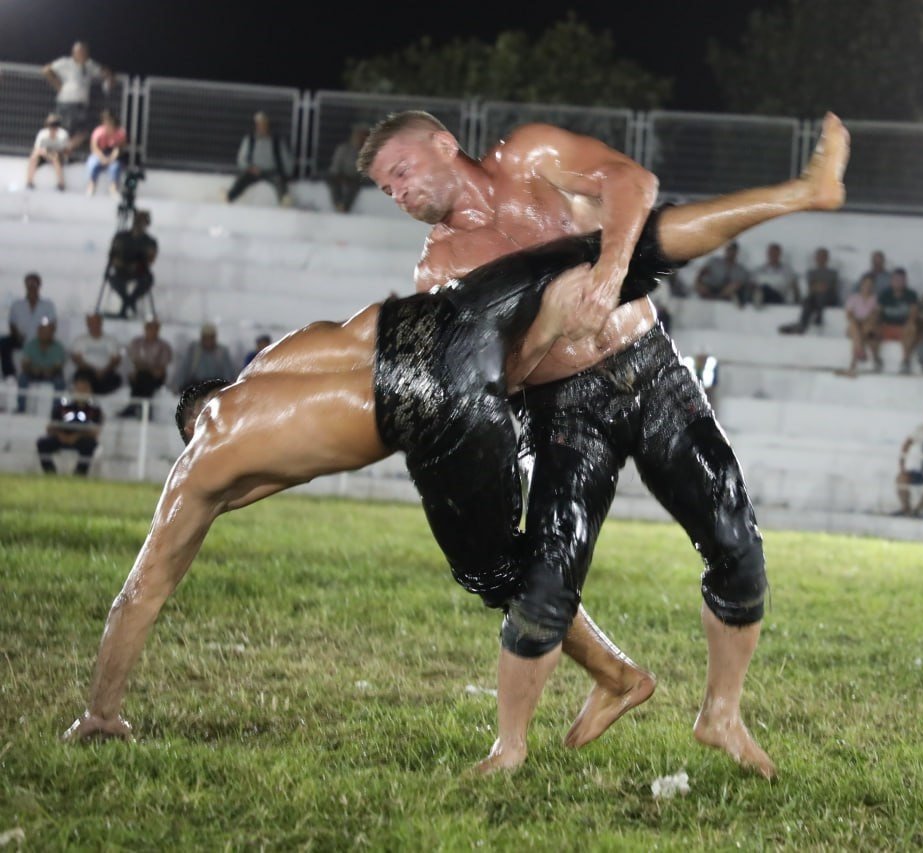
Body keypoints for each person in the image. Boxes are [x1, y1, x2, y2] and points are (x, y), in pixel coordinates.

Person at [61, 163, 848, 779]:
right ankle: (792, 195)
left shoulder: (206, 463)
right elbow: (325, 380)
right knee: (617, 253)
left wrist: (102, 708)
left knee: (497, 566)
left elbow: (142, 590)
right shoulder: (279, 357)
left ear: (195, 418)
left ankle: (609, 675)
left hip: (433, 407)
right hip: (439, 325)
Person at [359, 109, 850, 776]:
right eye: (388, 190)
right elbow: (491, 379)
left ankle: (721, 713)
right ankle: (509, 745)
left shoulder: (530, 157)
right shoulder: (439, 266)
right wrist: (546, 330)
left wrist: (613, 268)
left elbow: (632, 183)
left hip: (650, 365)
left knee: (736, 541)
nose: (401, 193)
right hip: (562, 405)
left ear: (445, 144)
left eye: (403, 171)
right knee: (547, 575)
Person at [42, 41, 114, 156]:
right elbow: (46, 70)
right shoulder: (65, 62)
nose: (83, 54)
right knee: (68, 131)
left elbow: (103, 72)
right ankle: (60, 153)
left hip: (80, 105)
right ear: (74, 53)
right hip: (66, 102)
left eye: (85, 52)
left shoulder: (89, 65)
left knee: (83, 131)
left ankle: (62, 152)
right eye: (80, 52)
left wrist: (109, 76)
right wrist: (58, 86)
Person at [37, 371, 103, 476]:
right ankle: (50, 473)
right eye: (79, 389)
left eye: (84, 389)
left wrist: (77, 436)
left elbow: (95, 432)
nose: (81, 392)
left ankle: (79, 474)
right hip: (61, 437)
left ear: (90, 390)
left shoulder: (94, 409)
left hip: (82, 439)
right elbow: (50, 427)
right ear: (74, 389)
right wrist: (60, 435)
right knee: (42, 443)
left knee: (90, 445)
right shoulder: (63, 406)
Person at [226, 112, 294, 206]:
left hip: (272, 171)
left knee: (279, 181)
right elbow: (241, 158)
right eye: (259, 124)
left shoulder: (277, 141)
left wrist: (288, 173)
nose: (261, 127)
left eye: (264, 124)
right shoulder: (249, 140)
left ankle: (284, 200)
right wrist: (249, 167)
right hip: (254, 171)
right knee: (242, 179)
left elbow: (286, 158)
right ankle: (229, 197)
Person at [106, 210, 159, 319]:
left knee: (148, 280)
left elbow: (150, 259)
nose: (139, 224)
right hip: (121, 270)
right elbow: (112, 254)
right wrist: (117, 262)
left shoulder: (150, 241)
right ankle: (129, 303)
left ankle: (127, 304)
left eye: (143, 221)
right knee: (112, 278)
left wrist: (139, 265)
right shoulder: (121, 236)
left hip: (139, 272)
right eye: (138, 220)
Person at [4, 273, 57, 379]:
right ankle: (9, 376)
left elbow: (52, 325)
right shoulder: (17, 304)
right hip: (21, 339)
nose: (32, 285)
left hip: (40, 340)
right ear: (25, 285)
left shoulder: (48, 305)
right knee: (3, 343)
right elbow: (12, 323)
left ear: (39, 285)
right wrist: (17, 335)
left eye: (34, 283)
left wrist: (45, 337)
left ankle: (48, 376)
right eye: (29, 283)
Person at [779, 248, 840, 333]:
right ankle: (802, 325)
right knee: (809, 300)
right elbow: (810, 287)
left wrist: (820, 287)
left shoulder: (833, 273)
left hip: (829, 297)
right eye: (819, 256)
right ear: (816, 258)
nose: (821, 259)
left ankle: (817, 318)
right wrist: (818, 287)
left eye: (823, 257)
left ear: (827, 258)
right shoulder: (811, 272)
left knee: (819, 296)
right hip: (814, 297)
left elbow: (833, 287)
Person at [121, 318, 172, 418]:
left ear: (158, 330)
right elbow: (134, 362)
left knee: (145, 377)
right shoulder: (137, 343)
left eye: (154, 328)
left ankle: (133, 407)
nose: (152, 331)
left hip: (154, 378)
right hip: (139, 375)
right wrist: (147, 368)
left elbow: (160, 370)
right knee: (143, 377)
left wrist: (145, 368)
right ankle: (147, 411)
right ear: (145, 329)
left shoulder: (164, 346)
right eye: (149, 328)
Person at [871, 268, 919, 374]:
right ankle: (876, 360)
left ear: (905, 281)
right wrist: (876, 322)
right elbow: (877, 312)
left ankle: (905, 362)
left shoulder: (911, 294)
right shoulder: (884, 294)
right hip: (886, 326)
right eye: (896, 279)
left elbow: (913, 313)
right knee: (873, 329)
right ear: (891, 280)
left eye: (901, 279)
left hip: (903, 328)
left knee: (911, 328)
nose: (898, 282)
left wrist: (909, 323)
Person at [17, 318, 67, 413]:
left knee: (60, 382)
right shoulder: (30, 345)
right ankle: (21, 408)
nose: (45, 334)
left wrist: (48, 371)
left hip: (51, 374)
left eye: (47, 332)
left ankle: (56, 411)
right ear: (38, 332)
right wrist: (33, 369)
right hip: (33, 372)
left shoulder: (58, 347)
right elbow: (25, 364)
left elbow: (58, 366)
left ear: (52, 333)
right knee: (22, 378)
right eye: (42, 331)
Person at [70, 313, 123, 395]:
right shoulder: (80, 340)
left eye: (97, 322)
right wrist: (93, 370)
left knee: (116, 379)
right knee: (81, 378)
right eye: (91, 322)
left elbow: (115, 360)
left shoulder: (111, 340)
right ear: (87, 324)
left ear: (101, 323)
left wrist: (104, 371)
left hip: (106, 372)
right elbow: (77, 359)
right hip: (87, 372)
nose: (94, 325)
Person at [173, 323, 235, 392]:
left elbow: (228, 372)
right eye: (206, 337)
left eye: (210, 337)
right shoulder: (194, 350)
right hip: (197, 385)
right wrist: (179, 385)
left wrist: (228, 388)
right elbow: (184, 369)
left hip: (216, 386)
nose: (208, 341)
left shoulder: (222, 352)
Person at [837, 274, 878, 377]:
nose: (867, 287)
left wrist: (862, 321)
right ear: (861, 285)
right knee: (855, 326)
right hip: (854, 326)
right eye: (865, 284)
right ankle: (860, 352)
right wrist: (858, 321)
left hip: (867, 327)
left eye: (870, 285)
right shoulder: (853, 298)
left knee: (861, 331)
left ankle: (852, 366)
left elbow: (874, 316)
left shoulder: (874, 299)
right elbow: (849, 315)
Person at [327, 125, 370, 213]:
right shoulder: (344, 149)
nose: (360, 139)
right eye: (359, 136)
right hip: (342, 175)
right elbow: (336, 166)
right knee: (334, 182)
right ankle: (338, 204)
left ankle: (345, 207)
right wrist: (339, 176)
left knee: (354, 186)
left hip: (357, 179)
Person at [85, 109, 128, 197]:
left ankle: (113, 188)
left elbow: (119, 148)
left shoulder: (120, 132)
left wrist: (111, 159)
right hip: (100, 153)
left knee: (115, 167)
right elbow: (94, 147)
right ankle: (91, 186)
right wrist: (102, 158)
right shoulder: (98, 131)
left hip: (113, 155)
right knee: (93, 163)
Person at [25, 114, 70, 191]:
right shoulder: (42, 133)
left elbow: (65, 150)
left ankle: (61, 183)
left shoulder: (63, 134)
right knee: (33, 157)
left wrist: (55, 153)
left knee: (55, 158)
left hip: (58, 156)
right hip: (44, 154)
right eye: (50, 125)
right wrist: (46, 153)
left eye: (54, 124)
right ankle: (29, 182)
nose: (52, 127)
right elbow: (37, 148)